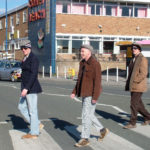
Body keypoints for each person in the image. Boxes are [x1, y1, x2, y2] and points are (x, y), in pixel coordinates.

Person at [70, 44, 109, 147]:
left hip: (91, 94)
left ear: (89, 52)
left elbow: (97, 82)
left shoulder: (95, 64)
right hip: (83, 92)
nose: (81, 53)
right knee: (89, 115)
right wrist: (74, 91)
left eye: (83, 51)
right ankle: (102, 130)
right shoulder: (82, 63)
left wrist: (95, 97)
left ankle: (85, 138)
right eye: (81, 51)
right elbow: (79, 79)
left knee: (85, 115)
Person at [18, 40, 44, 139]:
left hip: (31, 88)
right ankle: (36, 124)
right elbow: (26, 72)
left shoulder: (33, 58)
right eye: (22, 48)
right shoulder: (25, 58)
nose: (23, 50)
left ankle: (34, 133)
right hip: (25, 88)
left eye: (25, 48)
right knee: (21, 107)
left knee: (32, 111)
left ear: (29, 48)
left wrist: (26, 88)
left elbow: (34, 75)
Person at [124, 42, 150, 129]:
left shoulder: (143, 59)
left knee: (133, 104)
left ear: (139, 49)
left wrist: (135, 81)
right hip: (133, 85)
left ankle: (132, 123)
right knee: (138, 105)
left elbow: (144, 73)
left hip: (138, 85)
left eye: (135, 48)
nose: (133, 50)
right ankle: (148, 117)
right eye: (132, 48)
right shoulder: (133, 59)